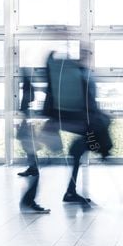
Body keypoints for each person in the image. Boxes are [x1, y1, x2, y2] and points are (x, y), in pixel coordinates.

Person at [44, 49, 112, 205]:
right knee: (92, 136)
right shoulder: (79, 75)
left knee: (79, 152)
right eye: (83, 56)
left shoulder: (81, 74)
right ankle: (99, 150)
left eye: (87, 56)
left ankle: (71, 191)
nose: (85, 59)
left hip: (82, 122)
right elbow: (87, 102)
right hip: (80, 121)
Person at [16, 69, 49, 214]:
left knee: (35, 163)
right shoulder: (27, 105)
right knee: (37, 168)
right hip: (30, 136)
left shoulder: (26, 104)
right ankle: (28, 201)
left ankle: (28, 201)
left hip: (29, 135)